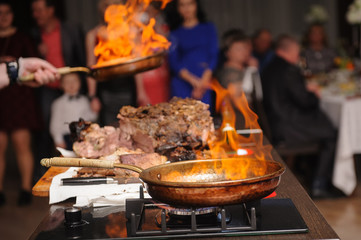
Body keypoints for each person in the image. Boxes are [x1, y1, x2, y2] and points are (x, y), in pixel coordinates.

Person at [261, 35, 342, 199]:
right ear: (288, 51)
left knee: (326, 126)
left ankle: (312, 175)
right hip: (288, 126)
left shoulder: (269, 66)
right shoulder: (288, 69)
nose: (298, 57)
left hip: (277, 122)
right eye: (297, 52)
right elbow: (305, 102)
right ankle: (319, 185)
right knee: (332, 133)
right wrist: (314, 94)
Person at [0, 1, 57, 207]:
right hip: (1, 97)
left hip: (19, 97)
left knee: (21, 144)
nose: (3, 17)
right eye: (0, 13)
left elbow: (33, 63)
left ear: (13, 15)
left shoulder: (23, 37)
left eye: (7, 13)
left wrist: (15, 66)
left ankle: (25, 189)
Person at [31, 0, 86, 175]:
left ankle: (79, 168)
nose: (36, 15)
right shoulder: (34, 34)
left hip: (70, 85)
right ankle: (45, 168)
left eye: (39, 10)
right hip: (47, 87)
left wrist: (84, 89)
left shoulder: (71, 29)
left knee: (77, 126)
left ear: (51, 10)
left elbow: (81, 59)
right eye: (34, 11)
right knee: (46, 127)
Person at [86, 0, 136, 126]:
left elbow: (136, 64)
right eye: (107, 6)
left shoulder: (128, 32)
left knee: (131, 128)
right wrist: (92, 97)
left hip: (128, 89)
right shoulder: (93, 35)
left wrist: (142, 91)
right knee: (110, 130)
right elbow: (91, 67)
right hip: (106, 91)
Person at [166, 0, 218, 107]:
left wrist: (202, 83)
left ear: (196, 5)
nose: (187, 8)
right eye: (182, 5)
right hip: (183, 83)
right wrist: (194, 82)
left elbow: (214, 54)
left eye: (190, 4)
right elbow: (174, 61)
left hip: (205, 81)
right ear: (177, 8)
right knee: (182, 119)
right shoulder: (174, 33)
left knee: (204, 118)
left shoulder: (208, 28)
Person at [217, 31, 262, 129]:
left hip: (246, 120)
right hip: (237, 122)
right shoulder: (230, 72)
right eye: (238, 49)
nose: (244, 52)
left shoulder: (243, 69)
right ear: (227, 52)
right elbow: (238, 100)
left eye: (245, 48)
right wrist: (251, 70)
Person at [50, 73, 97, 150]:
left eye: (74, 81)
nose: (71, 84)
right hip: (67, 137)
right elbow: (55, 124)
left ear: (80, 83)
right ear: (61, 85)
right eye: (67, 82)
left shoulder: (84, 100)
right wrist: (58, 140)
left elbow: (90, 118)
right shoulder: (58, 103)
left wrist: (95, 111)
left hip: (84, 136)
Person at [135, 1, 170, 106]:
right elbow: (137, 63)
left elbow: (166, 49)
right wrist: (140, 91)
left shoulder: (162, 29)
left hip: (163, 82)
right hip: (147, 83)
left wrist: (156, 25)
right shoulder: (137, 34)